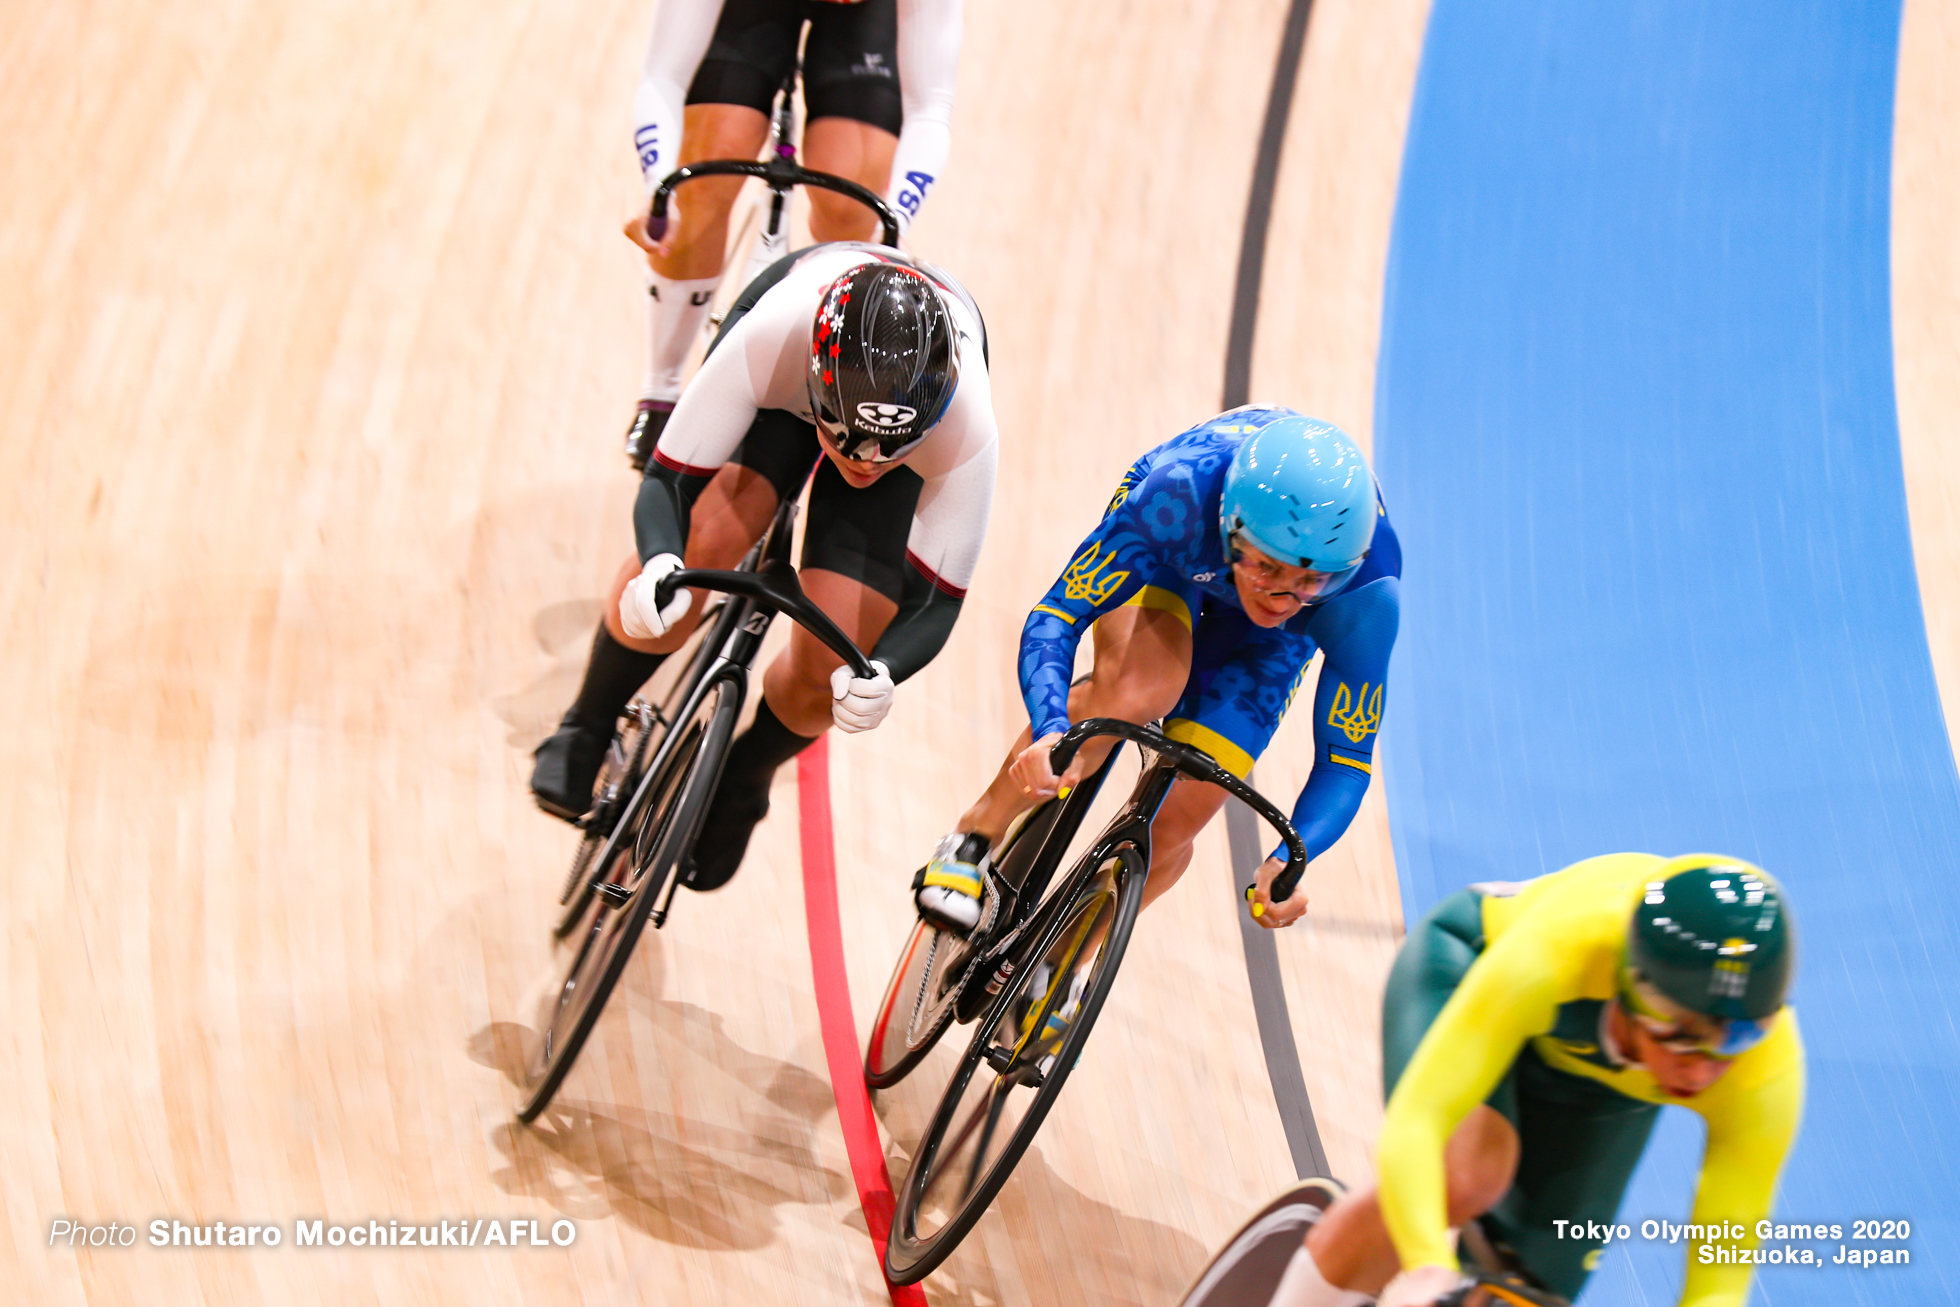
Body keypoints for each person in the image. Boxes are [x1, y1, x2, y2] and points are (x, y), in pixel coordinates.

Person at [531, 241, 996, 890]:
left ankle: (746, 773)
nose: (864, 463)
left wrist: (885, 671)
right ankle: (588, 718)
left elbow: (938, 600)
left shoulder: (966, 421)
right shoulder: (774, 334)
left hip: (870, 396)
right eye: (847, 443)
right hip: (782, 393)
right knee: (704, 545)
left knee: (834, 663)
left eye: (888, 454)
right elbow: (667, 480)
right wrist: (662, 562)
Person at [911, 405, 1402, 936]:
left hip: (1267, 644)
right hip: (1177, 561)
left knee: (1181, 817)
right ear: (1232, 526)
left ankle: (1070, 963)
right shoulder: (1178, 499)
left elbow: (1345, 762)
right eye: (1267, 567)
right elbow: (1058, 616)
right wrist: (1051, 728)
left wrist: (1290, 857)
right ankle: (972, 837)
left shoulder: (1365, 599)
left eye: (1310, 583)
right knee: (1141, 689)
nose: (1283, 598)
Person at [1268, 853, 1803, 1307]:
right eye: (1685, 1038)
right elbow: (1419, 1122)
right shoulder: (1558, 953)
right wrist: (1428, 1267)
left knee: (1529, 1291)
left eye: (1733, 1040)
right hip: (1471, 966)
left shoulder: (1766, 1068)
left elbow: (1721, 1267)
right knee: (1466, 1176)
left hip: (1599, 1080)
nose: (1703, 1070)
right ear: (1637, 993)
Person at [624, 0, 962, 468]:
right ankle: (660, 386)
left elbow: (930, 110)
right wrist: (659, 192)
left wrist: (894, 224)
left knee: (850, 205)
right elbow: (663, 77)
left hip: (863, 28)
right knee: (700, 179)